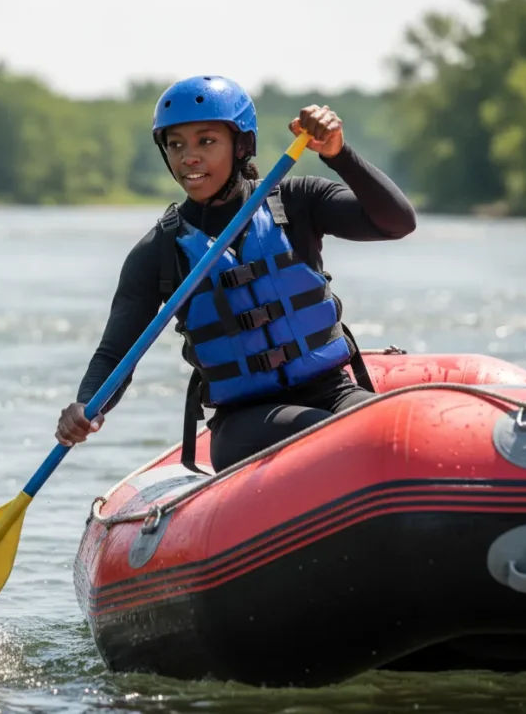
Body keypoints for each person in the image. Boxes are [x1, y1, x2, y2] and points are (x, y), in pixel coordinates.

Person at [54, 75, 417, 473]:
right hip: (245, 421)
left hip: (334, 393)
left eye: (205, 141)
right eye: (176, 145)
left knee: (398, 431)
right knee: (333, 436)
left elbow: (397, 222)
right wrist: (87, 405)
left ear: (242, 145)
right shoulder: (158, 251)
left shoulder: (296, 202)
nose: (188, 157)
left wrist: (338, 154)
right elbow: (115, 353)